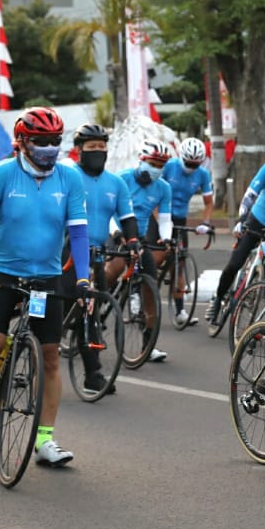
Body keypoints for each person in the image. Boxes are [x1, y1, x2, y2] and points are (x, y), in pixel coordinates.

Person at [0, 107, 90, 466]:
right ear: (23, 142)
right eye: (41, 141)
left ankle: (44, 440)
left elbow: (78, 233)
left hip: (46, 276)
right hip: (3, 273)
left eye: (55, 141)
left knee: (51, 357)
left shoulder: (69, 178)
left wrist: (85, 279)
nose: (49, 148)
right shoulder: (3, 174)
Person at [65, 123, 140, 393]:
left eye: (101, 147)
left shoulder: (116, 183)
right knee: (61, 311)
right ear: (79, 151)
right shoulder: (67, 176)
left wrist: (132, 242)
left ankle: (93, 374)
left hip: (97, 254)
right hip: (67, 252)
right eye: (91, 148)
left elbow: (128, 217)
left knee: (91, 314)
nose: (97, 152)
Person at [203, 144, 265, 326]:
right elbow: (249, 196)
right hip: (257, 221)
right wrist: (241, 221)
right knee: (234, 263)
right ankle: (218, 297)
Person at [109, 140, 173, 363]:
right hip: (116, 231)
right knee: (114, 267)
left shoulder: (164, 188)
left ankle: (149, 344)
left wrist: (166, 238)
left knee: (150, 284)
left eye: (161, 165)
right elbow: (107, 211)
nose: (156, 168)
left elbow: (165, 219)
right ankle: (96, 304)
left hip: (140, 238)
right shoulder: (121, 178)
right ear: (142, 160)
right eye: (153, 163)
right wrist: (118, 234)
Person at [161, 137, 214, 326]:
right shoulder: (169, 166)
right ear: (180, 157)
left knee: (180, 264)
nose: (191, 167)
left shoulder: (203, 175)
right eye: (188, 163)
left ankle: (180, 310)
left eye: (195, 164)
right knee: (155, 256)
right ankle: (136, 294)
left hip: (180, 218)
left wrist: (206, 223)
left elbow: (208, 202)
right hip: (161, 215)